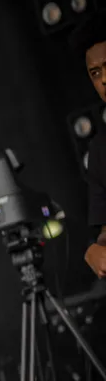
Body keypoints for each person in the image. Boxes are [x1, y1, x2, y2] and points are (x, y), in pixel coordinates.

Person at [78, 15, 106, 277]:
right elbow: (102, 228)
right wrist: (93, 250)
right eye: (95, 73)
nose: (104, 80)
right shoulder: (99, 149)